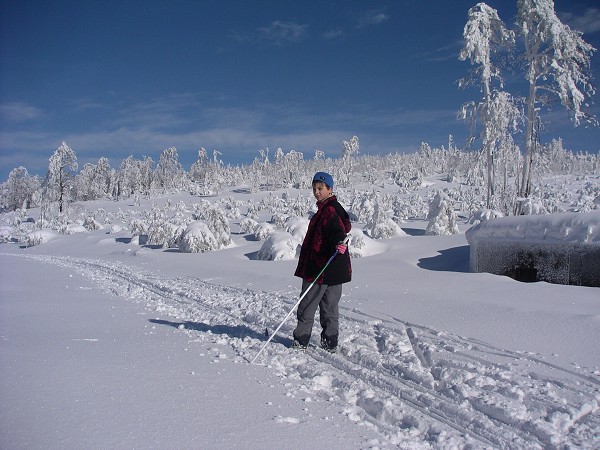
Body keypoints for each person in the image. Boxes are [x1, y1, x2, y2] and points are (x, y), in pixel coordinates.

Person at [292, 171, 352, 353]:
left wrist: (339, 242)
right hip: (335, 270)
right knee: (330, 309)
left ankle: (300, 342)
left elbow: (336, 230)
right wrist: (339, 244)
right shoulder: (330, 208)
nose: (317, 192)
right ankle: (329, 343)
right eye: (314, 189)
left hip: (320, 268)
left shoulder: (329, 210)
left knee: (307, 307)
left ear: (330, 189)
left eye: (320, 188)